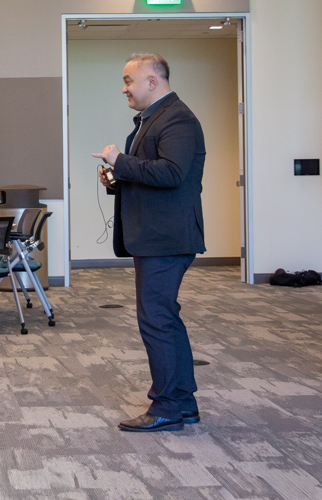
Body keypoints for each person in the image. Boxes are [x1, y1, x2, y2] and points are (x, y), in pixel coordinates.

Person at [92, 52, 206, 433]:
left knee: (156, 320)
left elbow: (172, 173)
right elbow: (151, 174)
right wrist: (117, 178)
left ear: (152, 82)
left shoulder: (177, 119)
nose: (124, 88)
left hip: (166, 239)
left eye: (129, 81)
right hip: (156, 238)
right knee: (165, 319)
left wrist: (120, 161)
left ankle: (167, 407)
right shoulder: (153, 119)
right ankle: (183, 402)